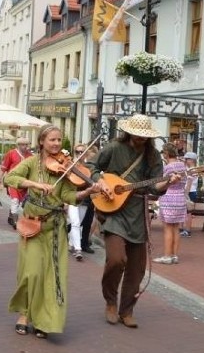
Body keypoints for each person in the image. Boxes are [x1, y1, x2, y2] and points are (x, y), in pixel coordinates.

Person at [4, 124, 95, 339]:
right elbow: (10, 178)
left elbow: (70, 197)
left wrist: (90, 190)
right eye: (52, 139)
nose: (56, 144)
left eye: (59, 140)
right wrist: (34, 184)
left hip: (54, 227)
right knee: (31, 272)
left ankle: (45, 321)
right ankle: (24, 314)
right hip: (32, 225)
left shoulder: (66, 167)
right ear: (42, 141)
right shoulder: (31, 163)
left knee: (52, 276)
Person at [91, 114, 180, 329]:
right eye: (137, 134)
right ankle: (111, 302)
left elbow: (154, 188)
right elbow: (91, 167)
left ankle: (127, 310)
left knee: (137, 267)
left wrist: (167, 183)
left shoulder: (153, 156)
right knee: (115, 260)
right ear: (129, 132)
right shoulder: (114, 148)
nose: (140, 138)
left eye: (144, 135)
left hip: (138, 212)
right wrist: (101, 182)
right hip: (113, 211)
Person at [153, 143, 188, 264]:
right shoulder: (182, 166)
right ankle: (174, 255)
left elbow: (162, 183)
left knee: (167, 228)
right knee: (176, 228)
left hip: (169, 198)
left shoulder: (168, 167)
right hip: (180, 198)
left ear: (166, 154)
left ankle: (167, 256)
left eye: (163, 153)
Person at [65, 143, 98, 261]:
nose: (79, 154)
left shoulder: (89, 168)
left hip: (84, 200)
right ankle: (78, 249)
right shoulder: (69, 164)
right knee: (75, 223)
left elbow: (93, 180)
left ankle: (70, 244)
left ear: (86, 153)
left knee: (78, 223)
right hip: (72, 197)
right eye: (77, 152)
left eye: (82, 152)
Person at [1, 137, 33, 228]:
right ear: (18, 145)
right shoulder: (11, 153)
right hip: (13, 181)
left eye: (26, 145)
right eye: (22, 145)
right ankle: (15, 221)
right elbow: (5, 166)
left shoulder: (30, 156)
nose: (25, 147)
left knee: (19, 202)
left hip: (24, 182)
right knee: (15, 200)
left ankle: (11, 216)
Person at [181, 151, 199, 237]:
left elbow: (189, 182)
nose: (185, 160)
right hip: (191, 192)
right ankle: (184, 229)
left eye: (187, 159)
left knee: (188, 213)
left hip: (190, 192)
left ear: (192, 160)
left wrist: (186, 194)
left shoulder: (192, 170)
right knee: (186, 212)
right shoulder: (190, 169)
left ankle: (187, 230)